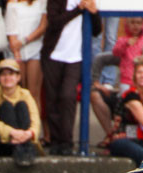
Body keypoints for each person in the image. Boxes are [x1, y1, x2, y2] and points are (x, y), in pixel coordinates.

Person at [40, 0, 98, 155]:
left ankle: (66, 141)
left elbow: (97, 30)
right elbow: (54, 22)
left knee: (67, 96)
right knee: (52, 99)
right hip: (53, 55)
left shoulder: (88, 2)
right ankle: (55, 141)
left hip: (75, 57)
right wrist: (78, 10)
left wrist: (94, 13)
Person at [0, 58, 39, 166]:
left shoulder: (25, 93)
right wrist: (12, 132)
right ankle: (20, 146)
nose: (7, 78)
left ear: (18, 77)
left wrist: (30, 133)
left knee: (21, 106)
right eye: (3, 74)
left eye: (11, 74)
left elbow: (35, 117)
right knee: (6, 106)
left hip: (23, 138)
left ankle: (23, 146)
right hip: (3, 140)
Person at [5, 0, 45, 98]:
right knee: (19, 91)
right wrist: (17, 54)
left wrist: (24, 41)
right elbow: (11, 33)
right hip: (16, 52)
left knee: (33, 93)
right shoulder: (12, 3)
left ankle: (34, 113)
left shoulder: (42, 2)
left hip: (35, 50)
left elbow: (42, 27)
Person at [111, 17, 143, 89]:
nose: (136, 26)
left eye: (139, 23)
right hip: (126, 80)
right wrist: (126, 44)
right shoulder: (122, 40)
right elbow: (115, 52)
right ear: (127, 24)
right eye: (133, 22)